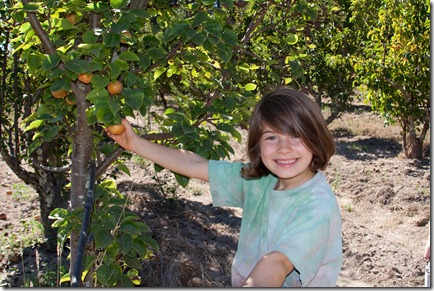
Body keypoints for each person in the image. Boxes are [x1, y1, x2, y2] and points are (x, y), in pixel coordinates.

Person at [105, 87, 343, 287]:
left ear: (315, 138)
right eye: (271, 137)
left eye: (295, 136)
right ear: (257, 144)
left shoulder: (317, 206)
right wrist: (135, 143)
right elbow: (195, 163)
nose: (284, 148)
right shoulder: (261, 180)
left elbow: (277, 263)